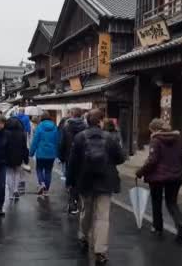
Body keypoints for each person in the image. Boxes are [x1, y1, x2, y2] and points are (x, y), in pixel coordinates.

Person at [66, 109, 125, 265]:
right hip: (106, 181)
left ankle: (83, 236)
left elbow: (72, 162)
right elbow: (120, 158)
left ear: (87, 121)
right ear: (100, 121)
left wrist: (70, 182)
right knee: (102, 217)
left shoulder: (79, 138)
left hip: (85, 181)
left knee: (86, 211)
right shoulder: (110, 138)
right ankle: (100, 251)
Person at [136, 118, 182, 242]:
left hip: (157, 177)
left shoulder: (156, 140)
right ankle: (180, 225)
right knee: (172, 202)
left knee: (156, 201)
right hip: (176, 176)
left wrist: (140, 172)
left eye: (151, 130)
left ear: (155, 129)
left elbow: (152, 161)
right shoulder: (178, 139)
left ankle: (158, 227)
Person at [59, 108, 87, 215]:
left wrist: (61, 156)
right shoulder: (85, 127)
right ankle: (81, 201)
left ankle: (73, 203)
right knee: (81, 178)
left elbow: (62, 143)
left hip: (69, 155)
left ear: (72, 115)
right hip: (83, 157)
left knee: (71, 179)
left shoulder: (67, 127)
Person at [30, 112, 59, 196]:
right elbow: (57, 141)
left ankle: (41, 183)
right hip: (51, 154)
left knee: (39, 169)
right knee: (48, 171)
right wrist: (57, 153)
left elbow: (35, 141)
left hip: (41, 153)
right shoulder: (54, 127)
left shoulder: (39, 127)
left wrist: (31, 152)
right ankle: (46, 191)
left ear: (41, 118)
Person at [4, 117, 29, 201]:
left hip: (7, 156)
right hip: (19, 156)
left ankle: (11, 194)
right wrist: (26, 159)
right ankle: (16, 189)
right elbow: (25, 147)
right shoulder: (22, 134)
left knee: (9, 174)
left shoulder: (5, 133)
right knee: (17, 173)